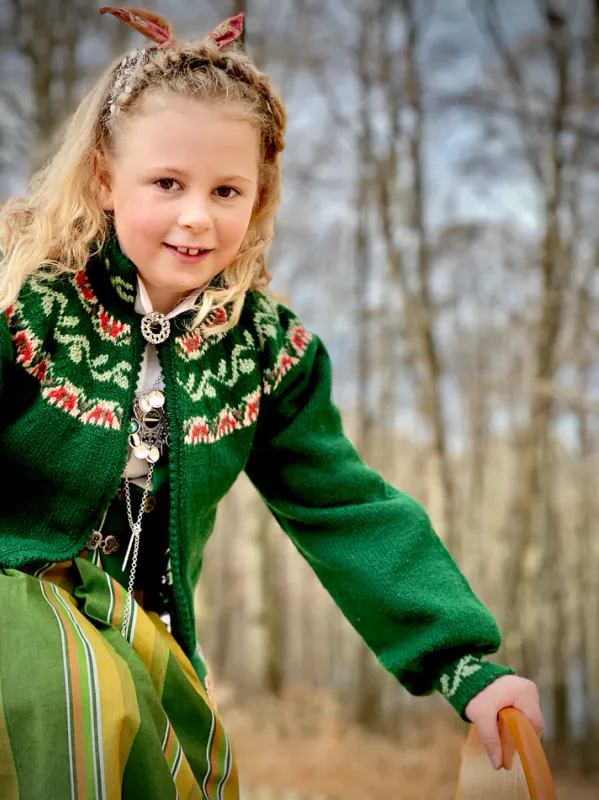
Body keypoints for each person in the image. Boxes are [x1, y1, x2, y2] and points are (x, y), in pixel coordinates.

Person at [0, 6, 543, 797]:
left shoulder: (264, 350)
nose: (197, 216)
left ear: (258, 198)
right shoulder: (27, 303)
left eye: (227, 189)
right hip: (15, 606)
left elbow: (344, 508)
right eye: (167, 183)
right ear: (105, 179)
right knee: (78, 705)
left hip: (141, 635)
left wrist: (464, 666)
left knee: (187, 763)